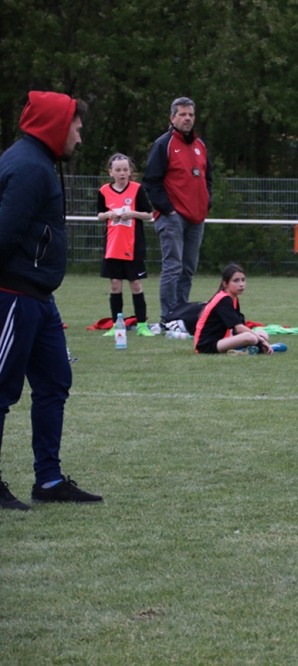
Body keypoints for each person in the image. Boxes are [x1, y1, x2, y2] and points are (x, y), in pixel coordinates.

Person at [0, 91, 103, 509]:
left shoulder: (38, 161)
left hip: (39, 297)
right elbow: (5, 231)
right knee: (1, 390)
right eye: (76, 127)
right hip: (14, 294)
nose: (79, 136)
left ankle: (49, 481)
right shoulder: (29, 166)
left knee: (55, 382)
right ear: (56, 126)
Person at [142, 96, 212, 325]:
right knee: (173, 267)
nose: (187, 118)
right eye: (182, 114)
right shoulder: (164, 144)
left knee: (188, 269)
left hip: (196, 218)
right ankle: (167, 317)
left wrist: (207, 202)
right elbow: (151, 181)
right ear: (172, 118)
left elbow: (207, 178)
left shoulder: (200, 145)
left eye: (190, 114)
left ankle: (180, 315)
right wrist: (168, 210)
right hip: (173, 216)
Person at [97, 153, 155, 335]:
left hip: (133, 246)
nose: (122, 173)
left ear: (130, 172)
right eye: (118, 170)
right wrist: (109, 215)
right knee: (115, 284)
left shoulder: (137, 189)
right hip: (113, 246)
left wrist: (133, 214)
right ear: (111, 172)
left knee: (135, 284)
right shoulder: (104, 191)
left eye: (125, 169)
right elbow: (100, 215)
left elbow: (149, 214)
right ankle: (117, 325)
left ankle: (142, 325)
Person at [193, 263, 273, 355]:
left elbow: (237, 327)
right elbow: (239, 328)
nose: (241, 284)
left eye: (243, 280)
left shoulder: (233, 299)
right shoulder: (223, 299)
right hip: (206, 345)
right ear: (225, 284)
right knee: (251, 337)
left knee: (263, 332)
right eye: (236, 281)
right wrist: (261, 340)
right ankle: (255, 348)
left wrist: (260, 338)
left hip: (224, 339)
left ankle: (248, 349)